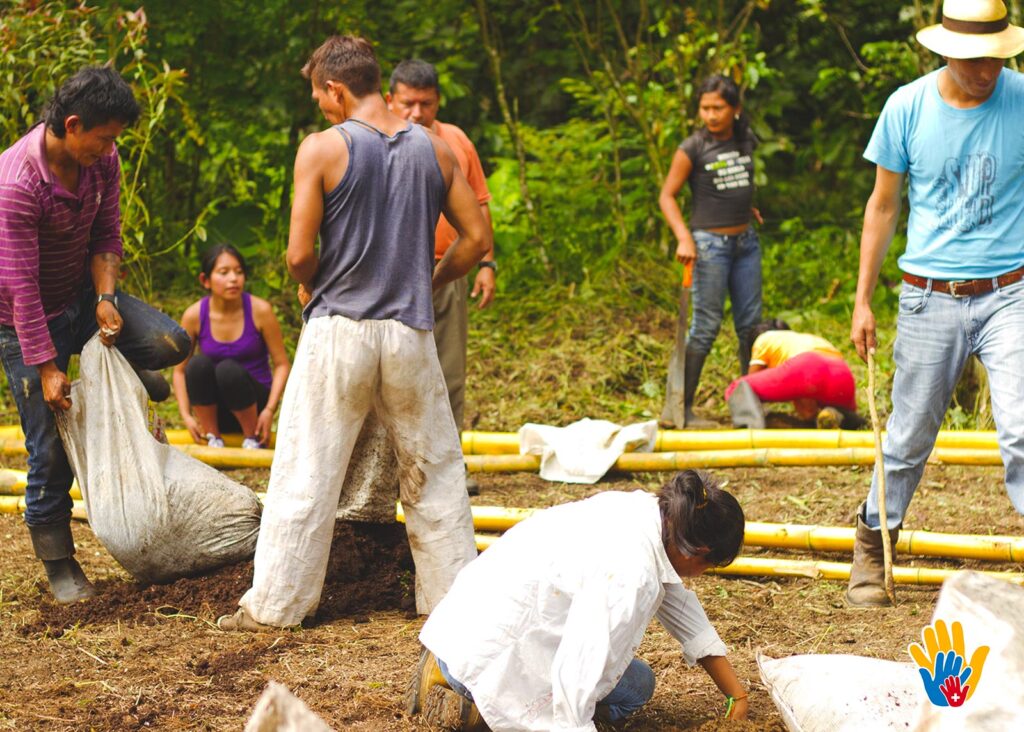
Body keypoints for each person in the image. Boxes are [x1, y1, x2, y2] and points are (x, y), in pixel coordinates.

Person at [218, 36, 489, 631]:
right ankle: (455, 609)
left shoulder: (322, 149)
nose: (321, 107)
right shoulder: (437, 151)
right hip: (410, 333)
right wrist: (430, 277)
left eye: (320, 96)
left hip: (339, 328)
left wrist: (315, 281)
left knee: (308, 468)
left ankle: (276, 607)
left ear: (337, 89)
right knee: (434, 472)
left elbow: (296, 256)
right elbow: (476, 240)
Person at [847, 0, 1024, 607]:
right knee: (907, 436)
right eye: (976, 59)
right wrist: (863, 299)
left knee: (1023, 427)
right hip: (929, 297)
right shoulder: (907, 107)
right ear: (946, 49)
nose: (988, 70)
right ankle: (873, 549)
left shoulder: (1021, 99)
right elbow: (883, 206)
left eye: (997, 58)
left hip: (1011, 292)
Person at [0, 66, 190, 603]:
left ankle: (126, 373)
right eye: (104, 137)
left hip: (82, 298)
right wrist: (47, 366)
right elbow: (19, 287)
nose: (110, 148)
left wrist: (106, 297)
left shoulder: (101, 161)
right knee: (48, 448)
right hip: (20, 320)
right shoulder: (17, 183)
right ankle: (59, 564)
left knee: (169, 343)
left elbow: (108, 234)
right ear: (74, 123)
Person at [407, 470, 749, 730]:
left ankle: (456, 683)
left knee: (638, 680)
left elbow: (678, 604)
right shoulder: (631, 576)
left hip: (462, 626)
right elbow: (577, 674)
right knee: (629, 692)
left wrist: (737, 693)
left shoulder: (645, 513)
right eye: (709, 566)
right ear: (699, 552)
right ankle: (475, 703)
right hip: (485, 654)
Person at [386, 59, 496, 495]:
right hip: (392, 274)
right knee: (391, 373)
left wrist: (486, 262)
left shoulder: (455, 141)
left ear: (437, 102)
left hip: (448, 268)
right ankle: (394, 469)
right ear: (390, 99)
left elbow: (481, 204)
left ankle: (449, 470)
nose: (416, 113)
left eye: (425, 104)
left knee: (448, 373)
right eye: (407, 103)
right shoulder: (378, 140)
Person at [658, 74, 762, 429]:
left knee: (750, 327)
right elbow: (667, 195)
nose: (711, 115)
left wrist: (747, 209)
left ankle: (750, 409)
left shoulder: (745, 139)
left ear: (735, 109)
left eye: (718, 107)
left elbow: (736, 181)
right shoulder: (693, 148)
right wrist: (683, 237)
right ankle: (680, 410)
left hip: (746, 244)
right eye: (705, 108)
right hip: (708, 247)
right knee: (704, 327)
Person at [171, 244, 290, 449]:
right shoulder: (193, 315)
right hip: (215, 410)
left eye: (239, 272)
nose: (234, 279)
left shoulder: (260, 310)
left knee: (227, 369)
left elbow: (282, 365)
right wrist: (186, 415)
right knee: (197, 364)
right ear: (205, 280)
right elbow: (180, 370)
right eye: (224, 273)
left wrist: (270, 410)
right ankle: (212, 437)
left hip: (253, 404)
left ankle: (252, 438)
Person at [725, 319, 860, 430]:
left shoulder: (764, 338)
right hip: (842, 373)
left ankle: (749, 432)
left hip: (806, 367)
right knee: (816, 412)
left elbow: (749, 382)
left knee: (737, 387)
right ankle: (840, 417)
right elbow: (806, 409)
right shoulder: (802, 339)